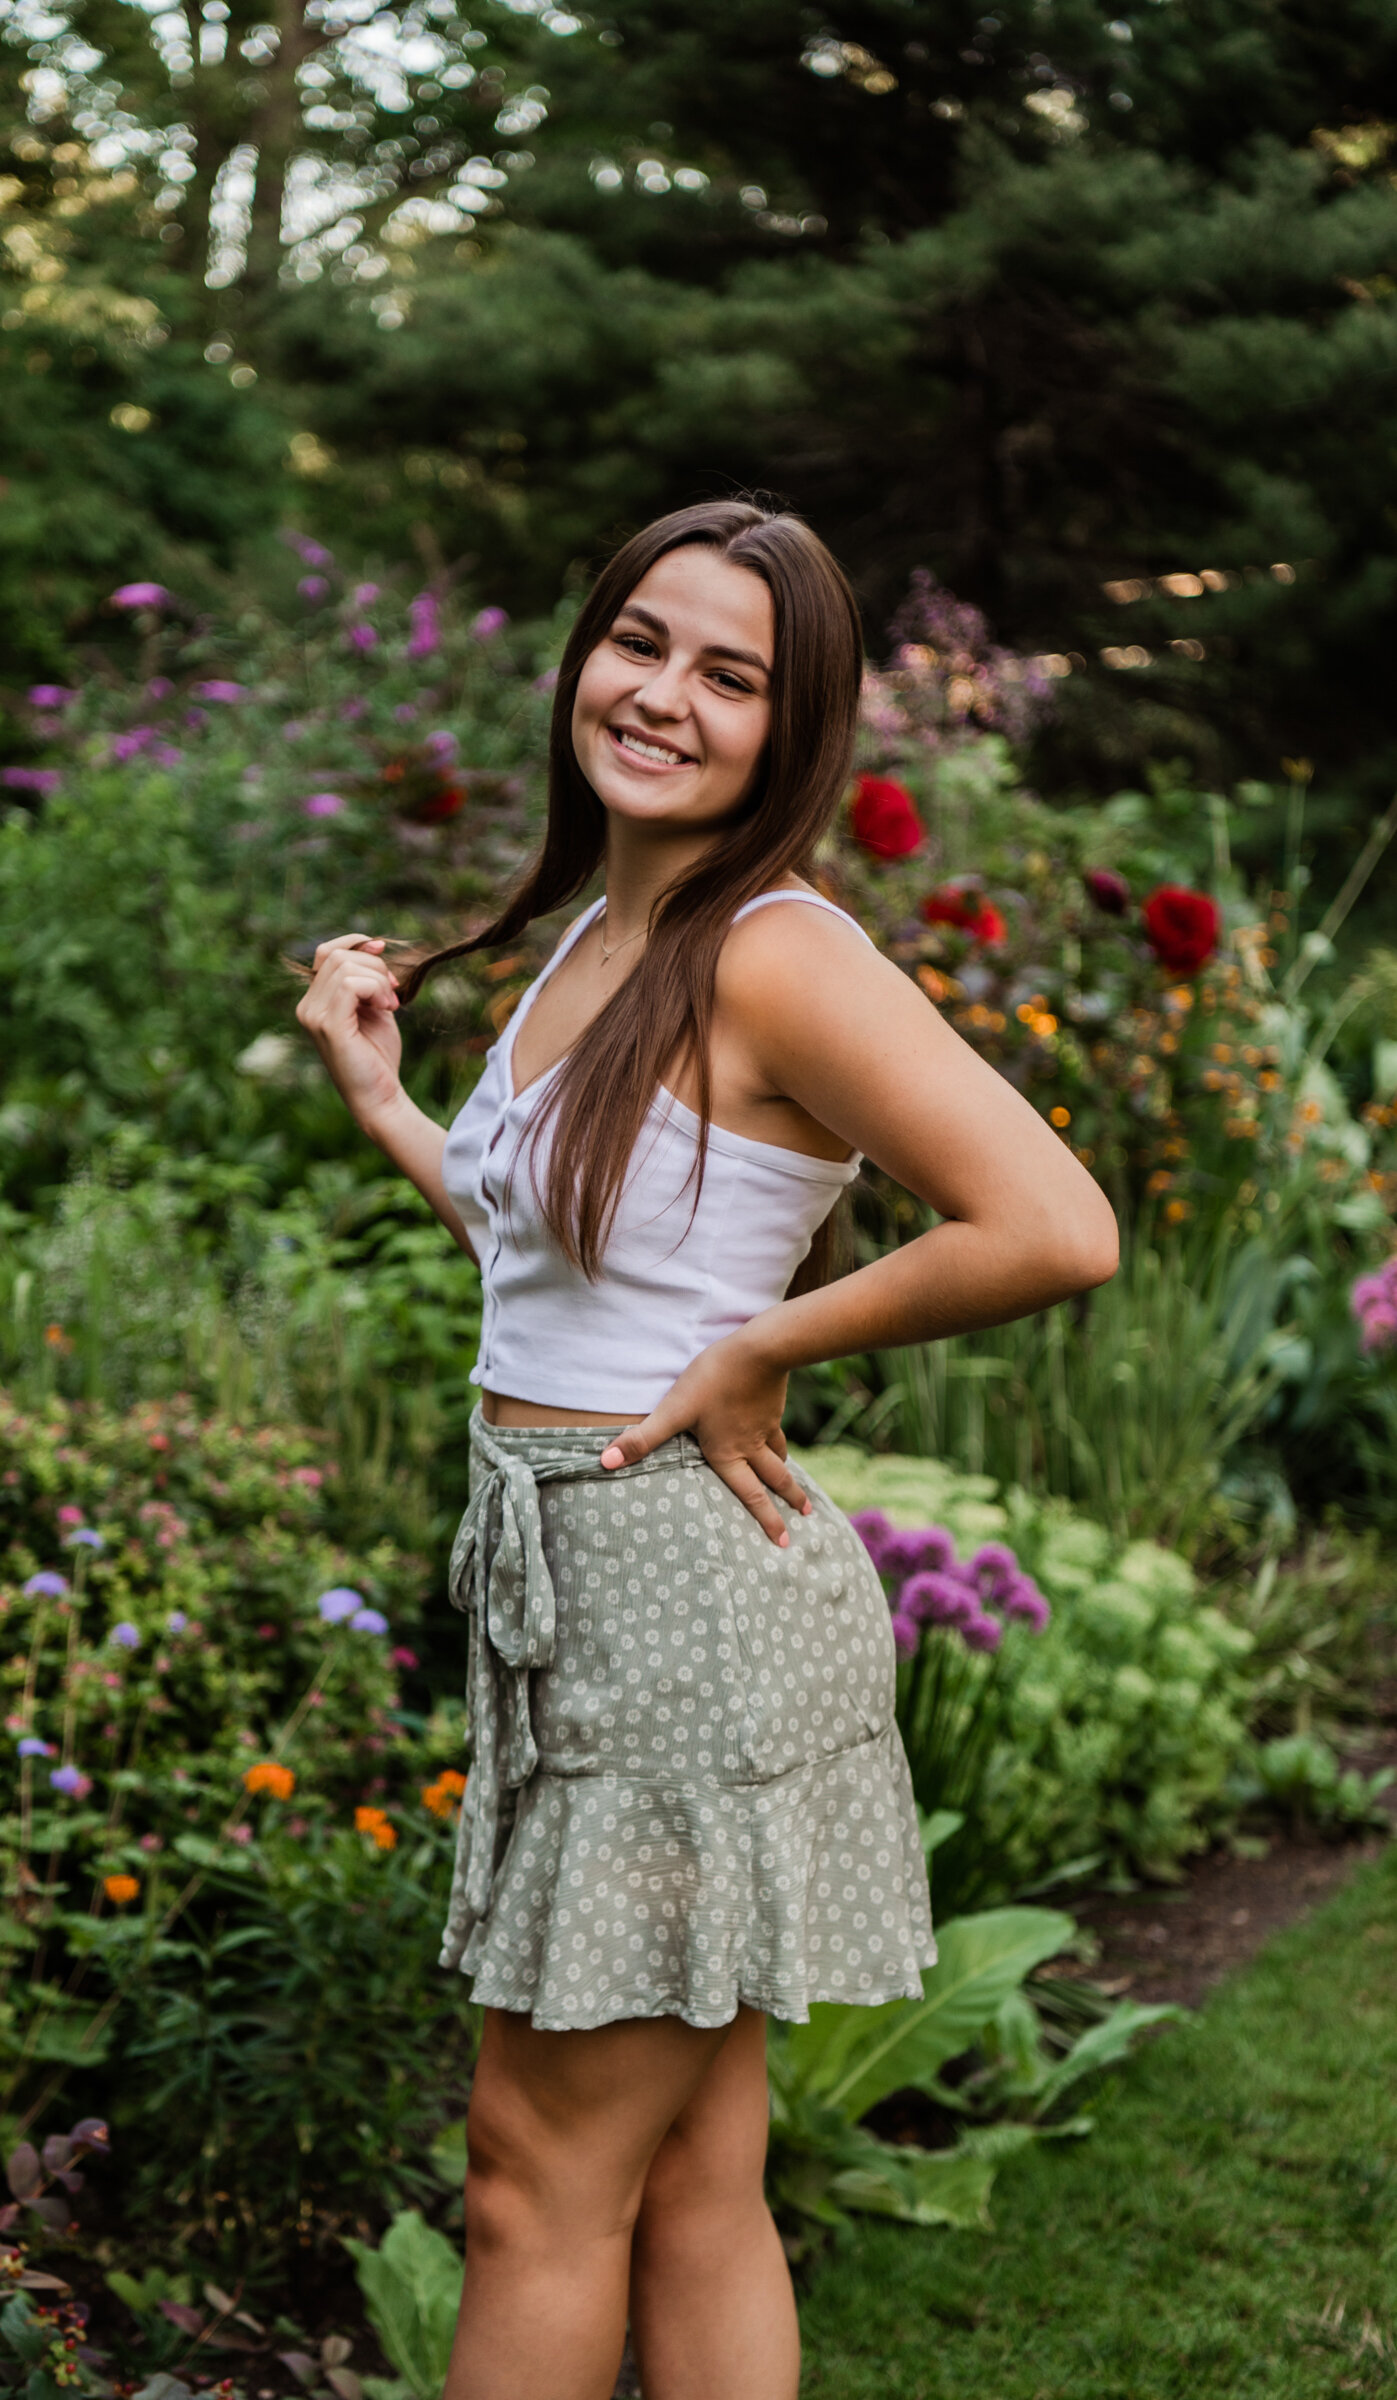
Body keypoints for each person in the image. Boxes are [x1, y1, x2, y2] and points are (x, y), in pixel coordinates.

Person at [294, 498, 1119, 2400]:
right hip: (596, 1585)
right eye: (637, 642)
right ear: (583, 652)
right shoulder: (608, 928)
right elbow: (568, 1269)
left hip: (677, 1591)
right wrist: (390, 1105)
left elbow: (1053, 1224)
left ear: (793, 724)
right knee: (686, 2179)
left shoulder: (774, 951)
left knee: (528, 2184)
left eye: (725, 674)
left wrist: (768, 1346)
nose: (660, 694)